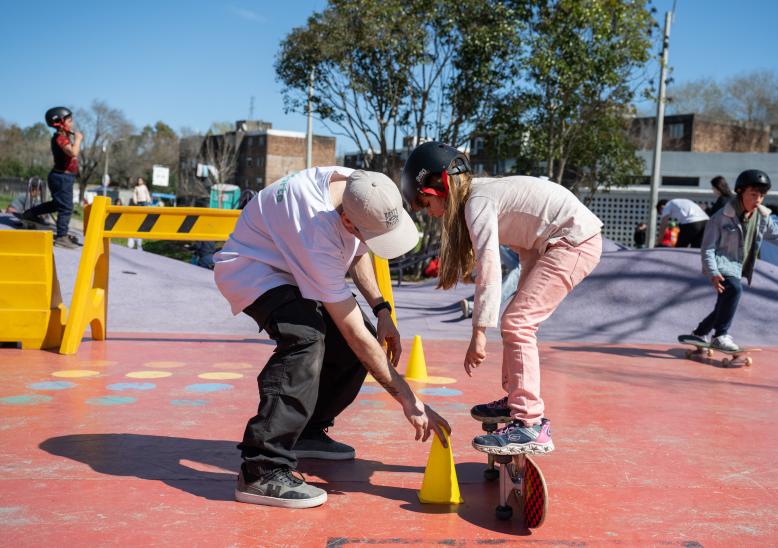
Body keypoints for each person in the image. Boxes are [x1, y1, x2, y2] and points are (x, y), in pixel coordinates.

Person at [213, 166, 450, 509]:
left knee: (356, 342)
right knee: (306, 340)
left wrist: (381, 309)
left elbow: (358, 250)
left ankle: (308, 431)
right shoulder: (315, 230)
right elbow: (353, 332)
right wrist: (409, 399)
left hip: (291, 263)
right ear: (349, 222)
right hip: (252, 269)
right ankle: (261, 470)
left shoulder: (361, 186)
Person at [401, 142, 602, 456]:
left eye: (425, 203)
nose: (429, 213)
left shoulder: (476, 202)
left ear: (439, 186)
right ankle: (516, 401)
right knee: (515, 319)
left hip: (573, 242)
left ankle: (530, 423)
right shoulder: (479, 194)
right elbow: (527, 235)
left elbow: (489, 267)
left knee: (518, 324)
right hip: (549, 244)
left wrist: (478, 332)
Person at [679, 170, 778, 352]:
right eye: (753, 194)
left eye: (761, 195)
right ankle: (720, 336)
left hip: (739, 266)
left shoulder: (762, 217)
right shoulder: (721, 217)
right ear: (740, 191)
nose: (758, 199)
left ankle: (699, 332)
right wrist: (713, 272)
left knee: (725, 303)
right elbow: (708, 248)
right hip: (721, 264)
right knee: (734, 289)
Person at [17, 107, 82, 249]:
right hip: (61, 178)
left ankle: (30, 214)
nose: (72, 124)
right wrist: (78, 139)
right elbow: (73, 152)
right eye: (69, 121)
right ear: (60, 122)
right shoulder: (60, 138)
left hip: (64, 177)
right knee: (66, 208)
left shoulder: (64, 137)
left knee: (57, 204)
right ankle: (61, 237)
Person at [460, 246, 520, 319]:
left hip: (532, 265)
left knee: (518, 273)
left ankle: (480, 308)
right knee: (496, 239)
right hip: (521, 256)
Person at [128, 177, 151, 250]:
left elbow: (147, 193)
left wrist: (148, 199)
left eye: (141, 180)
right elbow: (134, 194)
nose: (139, 181)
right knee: (139, 212)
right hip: (139, 201)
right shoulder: (136, 188)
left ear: (143, 181)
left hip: (144, 201)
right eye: (138, 180)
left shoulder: (144, 187)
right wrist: (135, 200)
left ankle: (143, 218)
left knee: (144, 211)